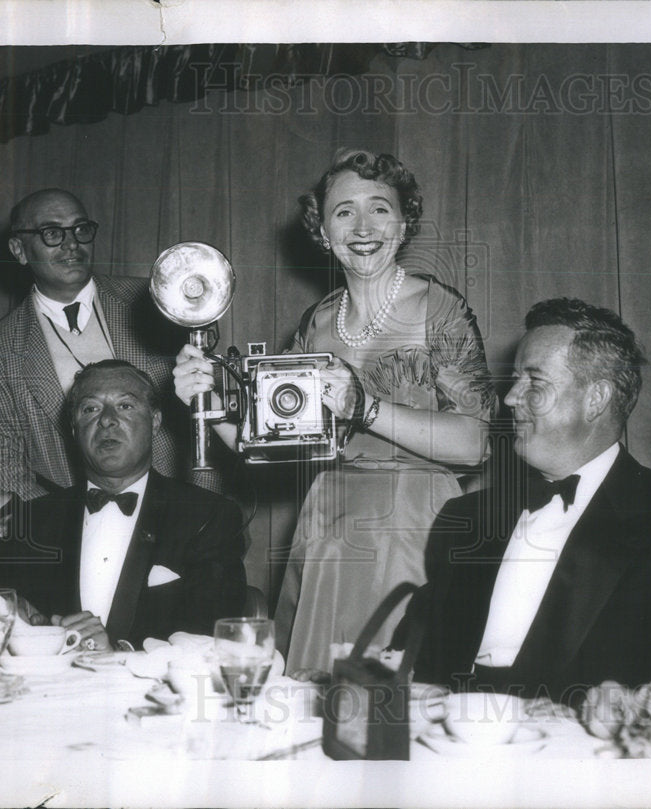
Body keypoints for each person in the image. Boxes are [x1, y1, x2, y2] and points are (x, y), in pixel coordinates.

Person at [174, 150, 495, 671]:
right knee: (316, 697)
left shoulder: (439, 308)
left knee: (393, 698)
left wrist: (364, 407)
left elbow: (475, 442)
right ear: (322, 232)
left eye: (380, 209)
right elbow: (271, 449)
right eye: (344, 211)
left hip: (414, 522)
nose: (363, 227)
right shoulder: (319, 320)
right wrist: (208, 405)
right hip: (327, 520)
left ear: (405, 221)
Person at [406, 298, 651, 708]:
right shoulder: (466, 516)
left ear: (596, 398)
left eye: (535, 382)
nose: (509, 399)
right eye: (514, 379)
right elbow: (417, 654)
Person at [0, 360, 248, 650]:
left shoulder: (208, 516)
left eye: (125, 406)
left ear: (155, 421)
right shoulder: (34, 520)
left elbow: (216, 640)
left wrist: (117, 654)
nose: (107, 420)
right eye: (91, 409)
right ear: (74, 429)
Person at [0, 188, 187, 514]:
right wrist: (63, 525)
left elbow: (202, 416)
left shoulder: (157, 302)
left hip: (180, 509)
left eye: (81, 229)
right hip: (74, 527)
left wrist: (203, 508)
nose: (72, 244)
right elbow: (3, 463)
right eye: (52, 233)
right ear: (19, 249)